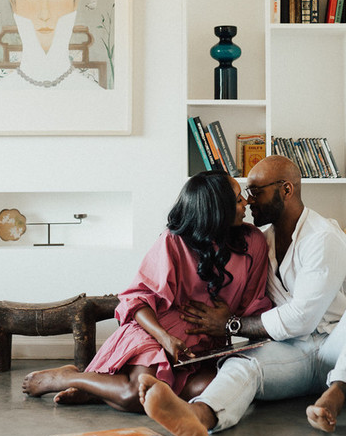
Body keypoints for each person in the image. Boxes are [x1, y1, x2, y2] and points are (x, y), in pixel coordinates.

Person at [138, 155, 346, 436]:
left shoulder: (322, 238)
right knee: (241, 364)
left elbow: (301, 318)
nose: (248, 201)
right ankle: (199, 417)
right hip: (292, 355)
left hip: (341, 349)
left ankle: (336, 394)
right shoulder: (262, 241)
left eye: (255, 191)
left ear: (285, 190)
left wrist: (231, 325)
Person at [22, 170, 271, 410]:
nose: (246, 203)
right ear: (217, 208)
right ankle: (69, 377)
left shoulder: (254, 243)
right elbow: (137, 299)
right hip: (155, 333)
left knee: (211, 390)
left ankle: (98, 390)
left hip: (201, 350)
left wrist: (229, 320)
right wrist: (165, 338)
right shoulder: (174, 240)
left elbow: (254, 305)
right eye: (238, 200)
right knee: (135, 395)